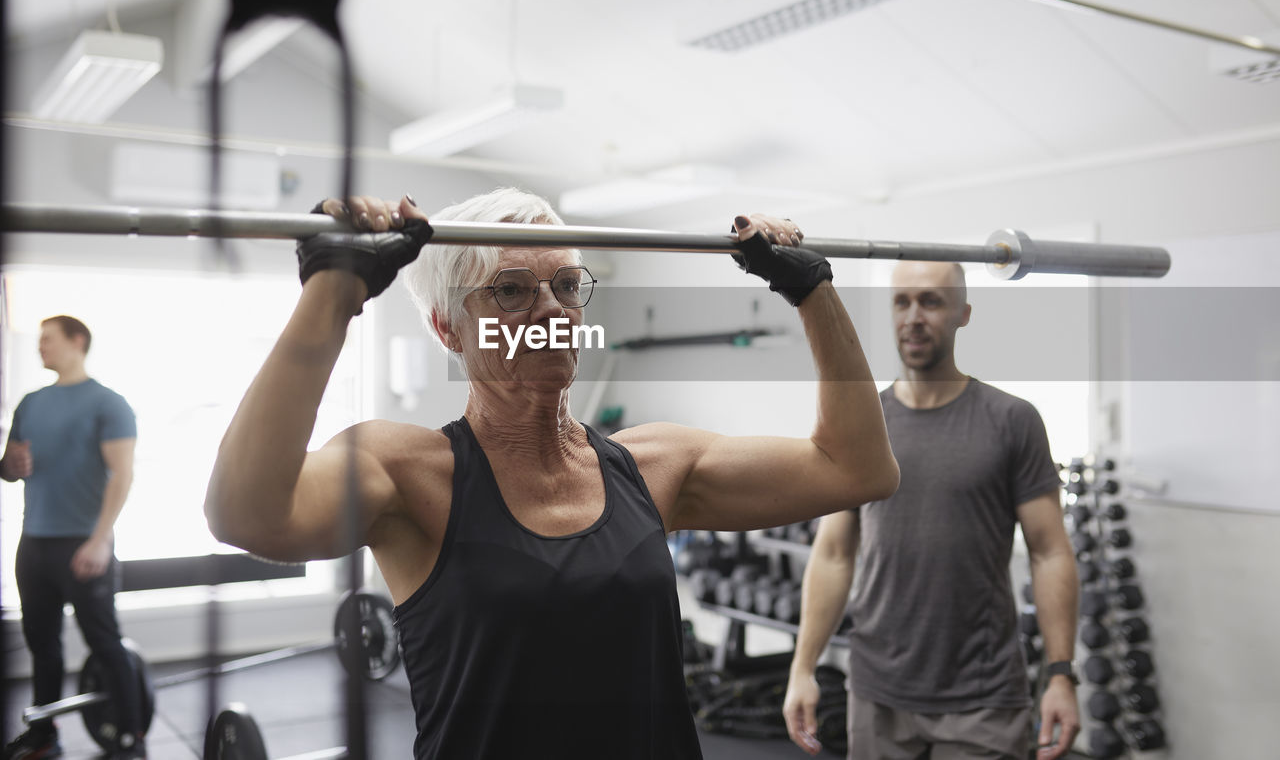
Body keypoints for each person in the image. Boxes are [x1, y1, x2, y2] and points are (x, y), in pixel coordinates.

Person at [204, 188, 901, 759]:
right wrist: (332, 293)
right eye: (510, 290)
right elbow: (244, 511)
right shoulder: (408, 473)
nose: (551, 309)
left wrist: (813, 290)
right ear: (450, 327)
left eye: (567, 285)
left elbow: (858, 468)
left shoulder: (654, 467)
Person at [782, 261, 1081, 760]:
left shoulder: (1012, 420)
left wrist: (1060, 674)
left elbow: (1050, 552)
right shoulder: (861, 426)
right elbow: (833, 553)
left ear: (963, 313)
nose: (914, 317)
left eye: (932, 301)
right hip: (877, 692)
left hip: (982, 696)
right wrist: (802, 668)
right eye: (902, 302)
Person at [1, 316, 145, 760]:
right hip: (35, 543)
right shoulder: (30, 403)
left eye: (48, 339)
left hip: (84, 542)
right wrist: (11, 465)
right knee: (43, 646)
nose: (39, 347)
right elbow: (8, 467)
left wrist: (101, 540)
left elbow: (123, 474)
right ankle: (44, 735)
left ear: (77, 342)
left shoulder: (108, 403)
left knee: (104, 641)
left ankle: (129, 737)